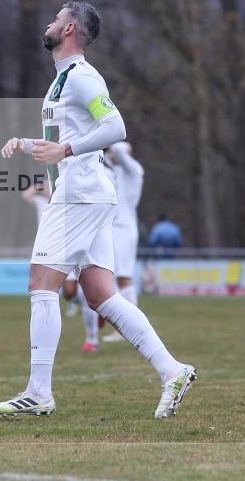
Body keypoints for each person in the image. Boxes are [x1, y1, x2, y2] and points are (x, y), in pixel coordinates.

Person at [0, 1, 195, 419]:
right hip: (88, 193)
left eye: (56, 18)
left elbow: (115, 127)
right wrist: (29, 144)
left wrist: (66, 148)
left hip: (79, 195)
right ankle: (172, 370)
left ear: (69, 30)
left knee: (41, 285)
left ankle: (38, 393)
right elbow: (67, 140)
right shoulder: (62, 81)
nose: (49, 22)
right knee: (101, 294)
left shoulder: (82, 77)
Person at [23, 184, 98, 351]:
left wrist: (53, 188)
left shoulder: (67, 200)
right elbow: (26, 196)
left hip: (71, 246)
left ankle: (91, 340)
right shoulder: (42, 203)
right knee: (69, 292)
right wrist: (38, 186)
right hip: (51, 250)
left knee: (84, 290)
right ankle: (95, 307)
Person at [102, 142, 144, 343]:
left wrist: (120, 147)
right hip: (112, 228)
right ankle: (126, 326)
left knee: (124, 277)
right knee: (115, 278)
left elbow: (118, 149)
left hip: (124, 229)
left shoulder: (133, 170)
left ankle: (131, 327)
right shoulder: (114, 171)